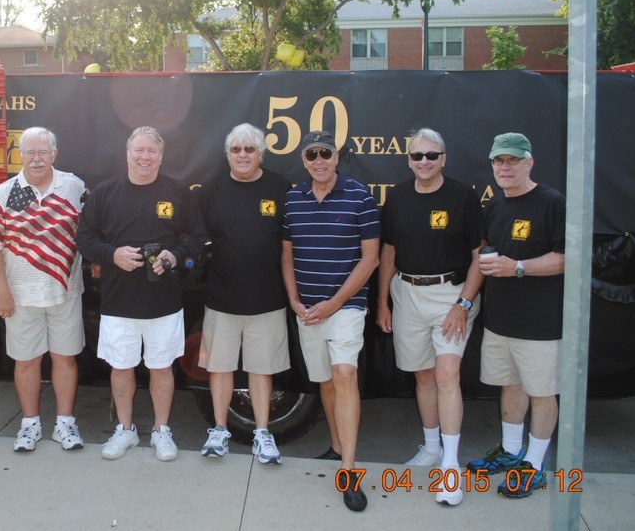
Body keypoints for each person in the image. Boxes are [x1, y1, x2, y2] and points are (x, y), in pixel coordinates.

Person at [75, 126, 207, 462]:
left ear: (161, 157)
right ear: (127, 154)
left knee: (162, 367)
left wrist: (175, 255)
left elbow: (198, 239)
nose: (145, 157)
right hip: (118, 302)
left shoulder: (178, 192)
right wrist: (112, 255)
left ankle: (161, 430)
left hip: (164, 302)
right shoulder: (105, 194)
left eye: (152, 151)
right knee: (121, 368)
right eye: (139, 150)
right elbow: (84, 239)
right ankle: (125, 429)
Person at [375, 128, 484, 506]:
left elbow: (480, 256)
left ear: (444, 159)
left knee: (447, 372)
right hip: (406, 293)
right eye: (417, 156)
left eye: (431, 155)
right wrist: (383, 302)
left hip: (451, 295)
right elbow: (388, 251)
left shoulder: (463, 196)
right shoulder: (397, 196)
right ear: (408, 160)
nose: (424, 161)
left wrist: (463, 305)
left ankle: (451, 466)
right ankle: (432, 447)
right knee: (423, 374)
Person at [281, 130, 379, 513]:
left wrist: (336, 303)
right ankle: (337, 446)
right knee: (324, 381)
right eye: (312, 155)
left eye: (326, 153)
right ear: (303, 161)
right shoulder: (293, 199)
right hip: (307, 311)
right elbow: (287, 255)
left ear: (337, 157)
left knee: (344, 375)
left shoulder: (361, 196)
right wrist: (294, 300)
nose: (319, 160)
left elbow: (370, 258)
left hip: (346, 307)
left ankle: (349, 471)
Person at [466, 132, 565, 499]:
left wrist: (519, 267)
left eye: (512, 160)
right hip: (501, 320)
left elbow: (566, 258)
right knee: (510, 385)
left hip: (539, 322)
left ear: (529, 162)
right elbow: (484, 254)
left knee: (542, 392)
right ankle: (510, 451)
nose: (504, 167)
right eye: (499, 161)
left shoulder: (552, 203)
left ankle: (534, 466)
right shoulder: (494, 206)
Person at [0, 127, 88, 452]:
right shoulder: (3, 194)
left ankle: (64, 423)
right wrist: (1, 291)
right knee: (26, 361)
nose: (37, 159)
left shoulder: (74, 186)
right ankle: (30, 424)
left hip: (65, 291)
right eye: (30, 152)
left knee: (65, 358)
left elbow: (90, 232)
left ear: (54, 154)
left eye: (43, 152)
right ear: (20, 155)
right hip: (21, 295)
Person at [195, 123, 292, 465]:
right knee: (219, 367)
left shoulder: (280, 188)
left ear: (261, 154)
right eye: (236, 149)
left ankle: (262, 434)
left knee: (261, 369)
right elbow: (195, 239)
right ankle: (219, 431)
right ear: (227, 155)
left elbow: (291, 243)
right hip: (222, 298)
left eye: (250, 149)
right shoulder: (210, 191)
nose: (243, 155)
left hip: (267, 298)